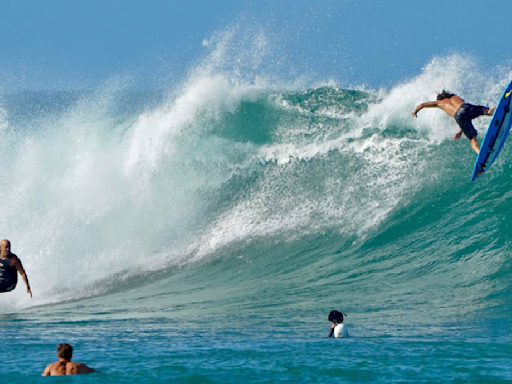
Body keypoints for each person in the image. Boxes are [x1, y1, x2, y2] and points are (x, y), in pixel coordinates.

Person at [411, 90, 495, 154]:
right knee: (487, 111)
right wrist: (460, 131)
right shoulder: (454, 96)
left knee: (472, 139)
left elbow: (422, 105)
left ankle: (479, 152)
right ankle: (495, 108)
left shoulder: (439, 103)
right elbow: (464, 112)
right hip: (465, 107)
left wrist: (415, 111)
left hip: (458, 117)